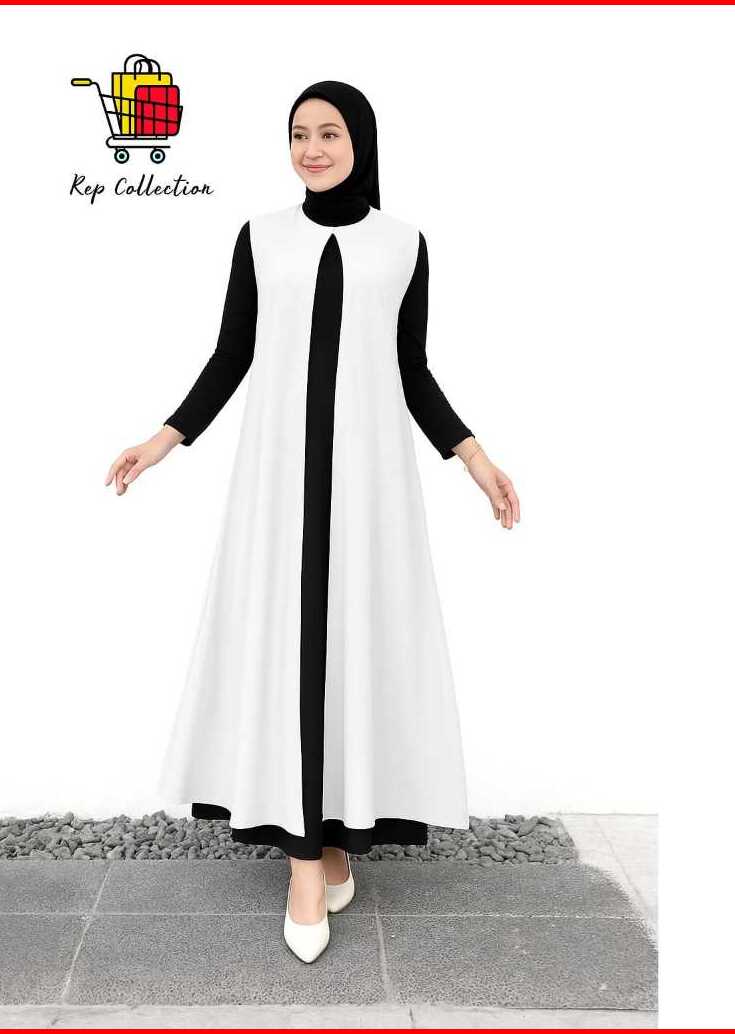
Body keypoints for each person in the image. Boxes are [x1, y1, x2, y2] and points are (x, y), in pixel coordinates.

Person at [105, 80, 520, 963]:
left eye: (329, 132)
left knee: (348, 652)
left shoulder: (402, 244)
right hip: (279, 485)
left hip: (369, 489)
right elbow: (233, 353)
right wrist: (164, 439)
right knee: (292, 649)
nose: (312, 149)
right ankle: (304, 865)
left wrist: (473, 455)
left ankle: (333, 839)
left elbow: (410, 367)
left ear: (360, 141)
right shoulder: (262, 237)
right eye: (299, 134)